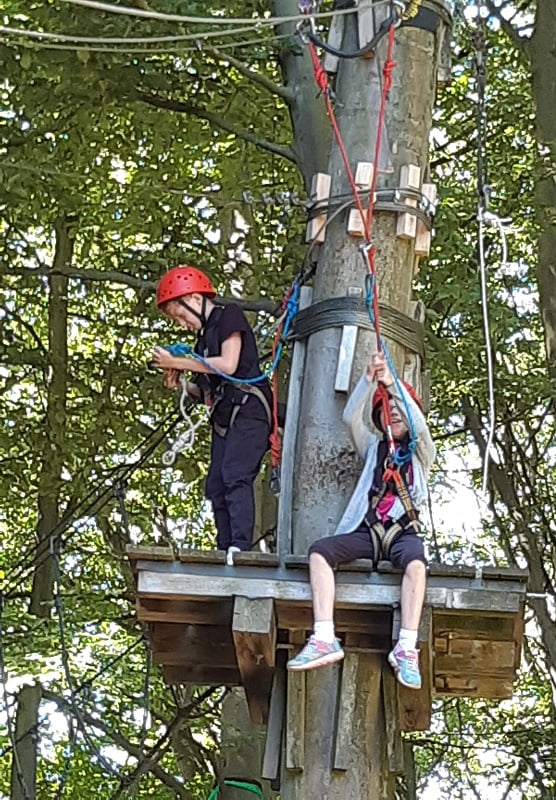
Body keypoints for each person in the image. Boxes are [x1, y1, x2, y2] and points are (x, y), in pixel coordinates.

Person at [287, 351, 436, 689]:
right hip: (368, 531)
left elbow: (419, 426)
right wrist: (370, 379)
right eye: (388, 410)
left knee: (416, 565)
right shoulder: (372, 448)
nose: (395, 414)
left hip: (403, 532)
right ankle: (324, 635)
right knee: (320, 551)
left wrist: (392, 385)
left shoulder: (421, 453)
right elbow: (351, 415)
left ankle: (407, 646)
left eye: (400, 410)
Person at [151, 265, 274, 565]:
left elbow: (229, 365)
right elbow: (204, 388)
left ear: (194, 299)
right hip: (226, 414)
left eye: (181, 316)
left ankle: (239, 547)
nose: (182, 324)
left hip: (249, 410)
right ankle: (225, 548)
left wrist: (181, 362)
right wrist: (178, 381)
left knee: (235, 474)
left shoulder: (228, 315)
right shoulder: (203, 341)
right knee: (217, 484)